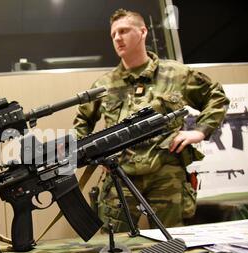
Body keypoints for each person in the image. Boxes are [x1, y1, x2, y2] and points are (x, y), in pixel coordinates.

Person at [73, 9, 229, 232]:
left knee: (173, 239)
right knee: (112, 244)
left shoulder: (176, 74)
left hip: (166, 175)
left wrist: (200, 131)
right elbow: (82, 121)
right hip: (120, 175)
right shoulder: (104, 85)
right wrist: (90, 155)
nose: (117, 38)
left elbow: (217, 97)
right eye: (114, 34)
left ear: (143, 31)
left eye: (124, 31)